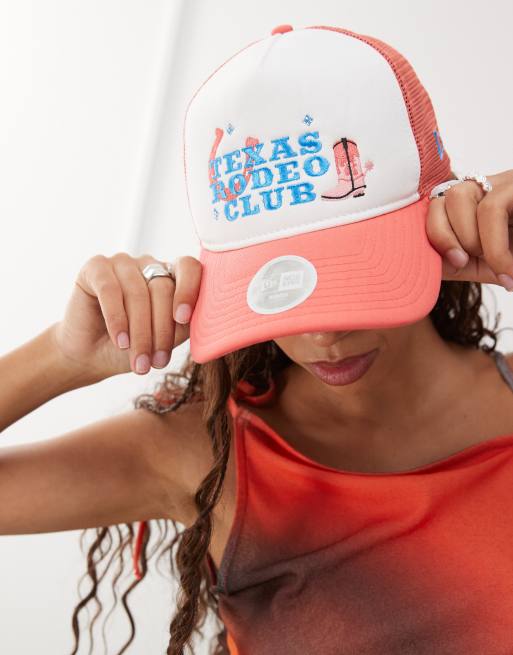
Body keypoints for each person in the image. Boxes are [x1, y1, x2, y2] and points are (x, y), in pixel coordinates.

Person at [1, 23, 513, 655]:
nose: (324, 333)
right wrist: (62, 356)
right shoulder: (199, 455)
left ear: (440, 212)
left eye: (357, 270)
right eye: (283, 288)